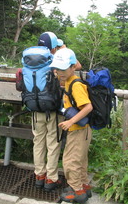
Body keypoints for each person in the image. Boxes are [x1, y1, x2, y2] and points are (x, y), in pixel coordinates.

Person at [49, 48, 93, 203]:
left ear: (73, 67)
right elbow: (59, 74)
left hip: (78, 130)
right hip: (82, 130)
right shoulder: (67, 80)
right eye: (56, 69)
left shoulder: (75, 85)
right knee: (80, 160)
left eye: (63, 69)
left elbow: (88, 107)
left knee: (70, 161)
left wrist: (70, 121)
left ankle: (77, 191)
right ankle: (84, 186)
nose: (59, 72)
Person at [32, 31, 62, 191]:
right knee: (53, 143)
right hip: (52, 110)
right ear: (53, 47)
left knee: (38, 142)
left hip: (36, 109)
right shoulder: (54, 60)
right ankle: (51, 179)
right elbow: (76, 66)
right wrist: (62, 48)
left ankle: (39, 175)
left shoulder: (30, 59)